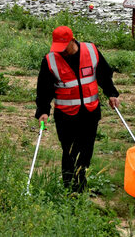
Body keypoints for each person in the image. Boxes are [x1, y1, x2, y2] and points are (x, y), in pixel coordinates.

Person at [35, 26, 120, 192]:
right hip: (66, 116)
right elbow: (44, 89)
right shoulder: (50, 60)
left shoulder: (91, 51)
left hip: (90, 112)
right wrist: (43, 110)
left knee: (86, 151)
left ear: (72, 40)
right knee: (69, 152)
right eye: (58, 48)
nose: (61, 52)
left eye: (64, 48)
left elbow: (104, 74)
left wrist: (112, 93)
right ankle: (69, 188)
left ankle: (81, 184)